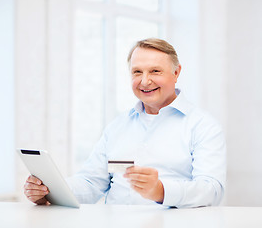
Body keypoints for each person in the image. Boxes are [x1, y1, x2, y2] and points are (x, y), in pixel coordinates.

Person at [24, 38, 226, 208]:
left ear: (176, 73)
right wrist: (48, 191)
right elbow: (91, 183)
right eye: (137, 72)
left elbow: (212, 189)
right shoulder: (117, 127)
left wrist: (161, 191)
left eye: (155, 71)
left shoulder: (203, 126)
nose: (145, 81)